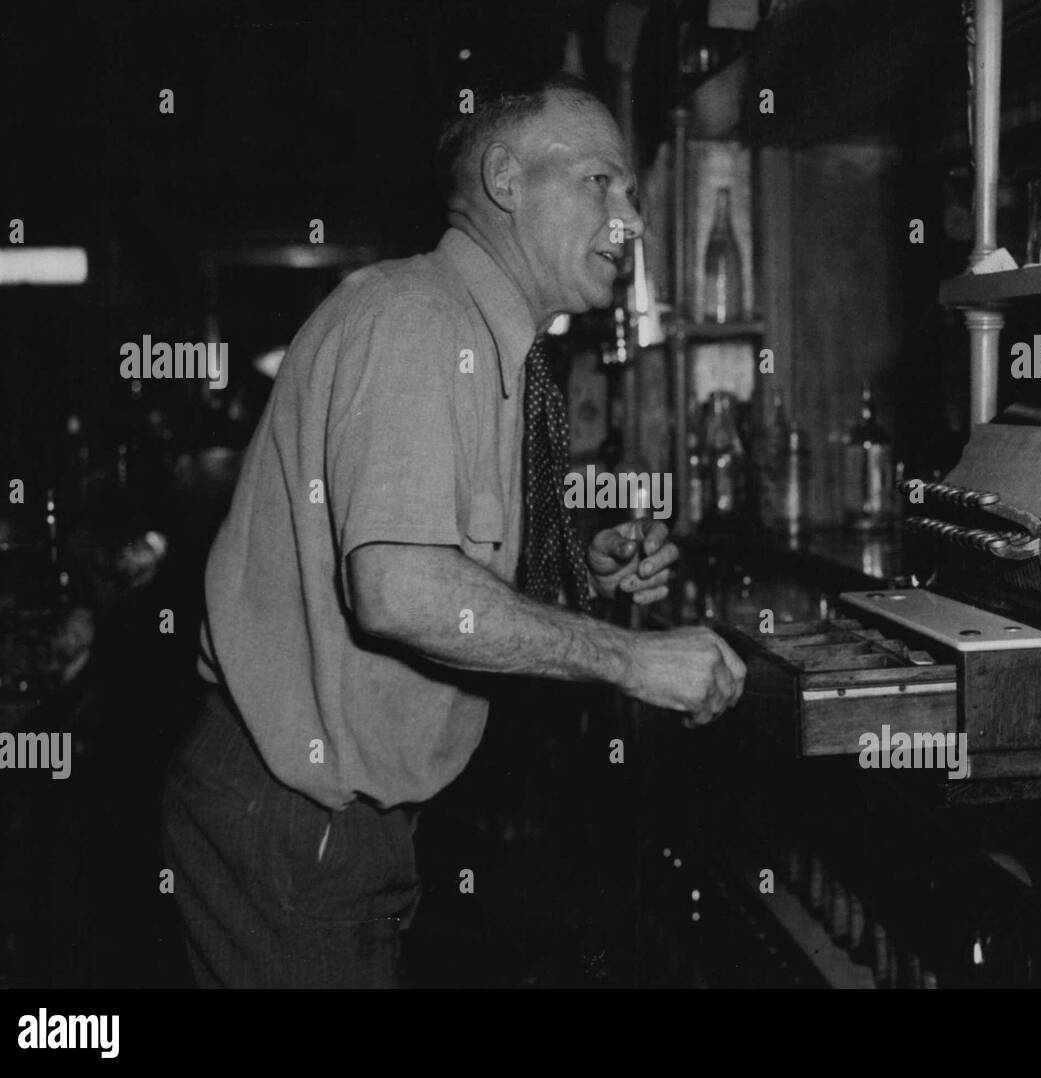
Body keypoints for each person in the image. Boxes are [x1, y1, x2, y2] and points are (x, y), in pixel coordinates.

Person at [161, 77, 747, 988]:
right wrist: (634, 660)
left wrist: (574, 573)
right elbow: (401, 591)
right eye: (603, 182)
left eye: (631, 192)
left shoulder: (491, 343)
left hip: (332, 819)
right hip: (297, 819)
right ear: (507, 180)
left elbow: (443, 570)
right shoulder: (418, 319)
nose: (630, 218)